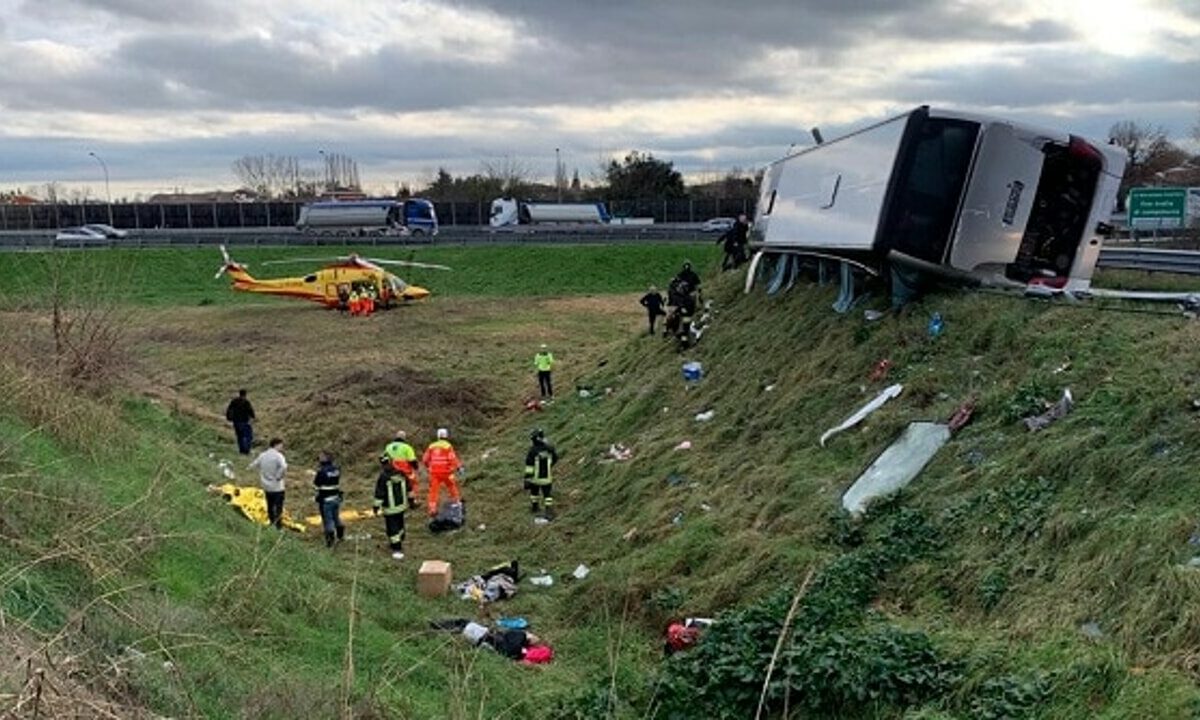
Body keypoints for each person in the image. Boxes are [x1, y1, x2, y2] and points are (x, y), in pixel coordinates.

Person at [373, 457, 409, 560]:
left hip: (390, 508)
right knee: (400, 523)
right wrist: (411, 500)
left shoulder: (383, 477)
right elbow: (409, 487)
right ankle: (401, 537)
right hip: (401, 506)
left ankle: (397, 548)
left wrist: (376, 507)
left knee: (392, 528)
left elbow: (380, 493)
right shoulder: (401, 474)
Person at [422, 428, 464, 517]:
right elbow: (452, 458)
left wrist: (428, 467)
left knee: (433, 491)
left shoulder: (431, 446)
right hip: (447, 472)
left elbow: (425, 459)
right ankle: (457, 502)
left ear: (438, 436)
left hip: (434, 472)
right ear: (446, 436)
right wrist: (459, 467)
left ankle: (432, 509)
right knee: (451, 486)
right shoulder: (448, 446)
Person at [248, 438, 287, 529]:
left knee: (269, 505)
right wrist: (279, 476)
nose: (282, 447)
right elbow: (284, 466)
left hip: (266, 485)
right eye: (281, 445)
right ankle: (278, 525)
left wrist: (247, 468)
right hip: (277, 486)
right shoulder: (278, 456)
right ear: (276, 445)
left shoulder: (263, 455)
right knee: (278, 507)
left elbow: (254, 464)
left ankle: (271, 522)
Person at [524, 428, 559, 519]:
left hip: (535, 479)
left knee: (534, 493)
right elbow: (555, 458)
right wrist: (549, 466)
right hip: (547, 478)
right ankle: (548, 510)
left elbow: (529, 466)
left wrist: (527, 478)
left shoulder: (532, 451)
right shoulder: (549, 449)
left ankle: (535, 507)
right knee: (547, 495)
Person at [313, 451, 344, 547]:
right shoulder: (336, 470)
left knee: (328, 520)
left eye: (321, 457)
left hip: (326, 500)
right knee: (336, 517)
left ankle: (330, 540)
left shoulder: (321, 471)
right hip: (336, 498)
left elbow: (316, 484)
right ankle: (340, 534)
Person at [382, 430, 420, 508]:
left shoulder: (388, 446)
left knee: (394, 486)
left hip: (391, 471)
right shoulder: (407, 447)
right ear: (404, 438)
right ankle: (412, 502)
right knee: (412, 485)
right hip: (405, 471)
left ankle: (395, 501)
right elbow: (412, 460)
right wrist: (416, 467)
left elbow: (383, 458)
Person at [224, 389, 255, 455]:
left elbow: (229, 410)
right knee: (248, 436)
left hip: (236, 422)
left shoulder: (234, 401)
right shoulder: (246, 402)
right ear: (245, 394)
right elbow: (250, 411)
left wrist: (229, 418)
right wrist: (253, 417)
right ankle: (246, 450)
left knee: (240, 436)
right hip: (244, 421)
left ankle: (241, 450)